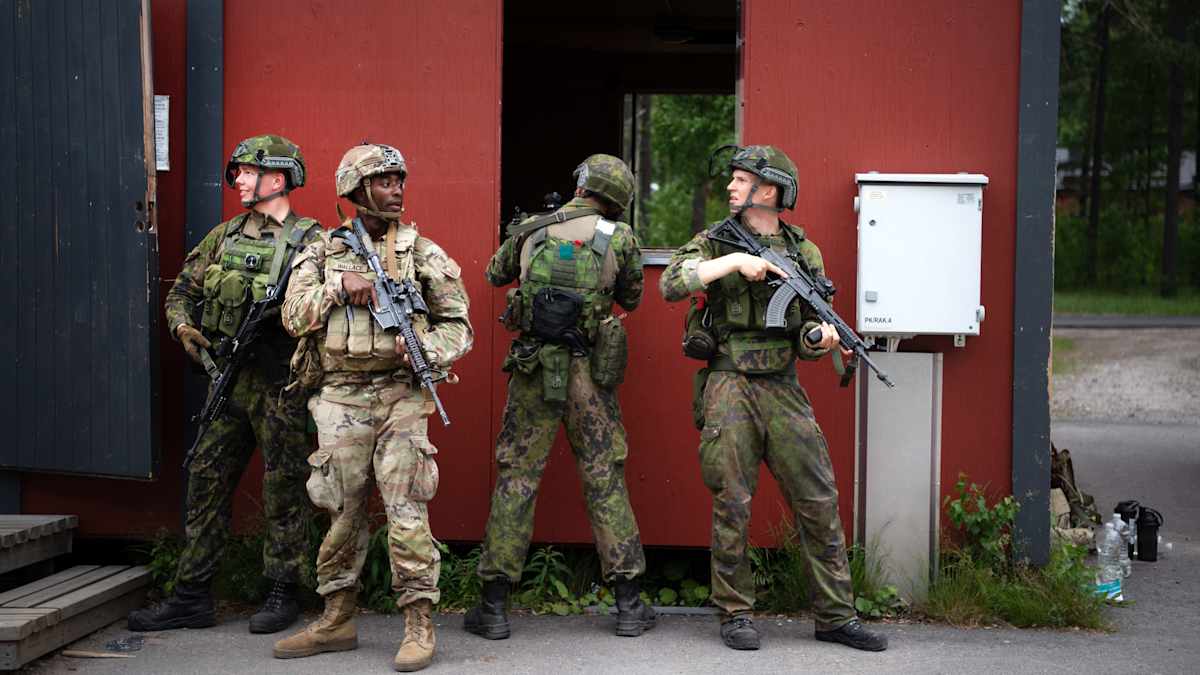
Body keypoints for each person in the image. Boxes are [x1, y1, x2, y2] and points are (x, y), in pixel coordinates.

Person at [658, 145, 888, 652]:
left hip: (782, 385)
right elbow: (672, 284)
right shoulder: (716, 241)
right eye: (733, 180)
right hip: (729, 382)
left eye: (741, 180)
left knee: (818, 498)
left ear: (769, 191)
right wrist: (736, 262)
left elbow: (809, 329)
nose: (730, 187)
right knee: (732, 502)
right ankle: (735, 613)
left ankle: (835, 615)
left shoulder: (803, 253)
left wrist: (818, 341)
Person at [273, 143, 472, 672]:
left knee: (407, 511)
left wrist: (427, 348)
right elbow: (292, 316)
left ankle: (418, 621)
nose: (396, 190)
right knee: (341, 509)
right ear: (356, 190)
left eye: (399, 180)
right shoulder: (321, 251)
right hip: (339, 396)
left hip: (403, 395)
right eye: (384, 181)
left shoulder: (421, 251)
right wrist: (340, 285)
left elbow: (459, 325)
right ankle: (336, 617)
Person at [129, 135, 322, 635]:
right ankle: (192, 596)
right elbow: (183, 292)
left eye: (245, 170)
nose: (236, 179)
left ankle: (284, 590)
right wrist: (184, 329)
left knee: (285, 487)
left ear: (276, 178)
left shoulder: (313, 241)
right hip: (228, 382)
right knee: (206, 480)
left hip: (282, 385)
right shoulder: (224, 235)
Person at [463, 154, 656, 641]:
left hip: (532, 369)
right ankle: (629, 605)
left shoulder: (532, 228)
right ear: (617, 196)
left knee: (518, 479)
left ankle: (493, 607)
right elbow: (631, 298)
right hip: (589, 373)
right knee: (604, 477)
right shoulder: (621, 238)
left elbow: (493, 273)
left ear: (581, 185)